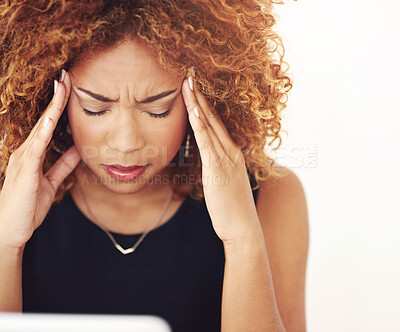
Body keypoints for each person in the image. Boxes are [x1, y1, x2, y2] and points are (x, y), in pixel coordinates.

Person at [0, 0, 309, 331]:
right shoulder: (9, 196)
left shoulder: (271, 195)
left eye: (157, 109)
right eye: (95, 108)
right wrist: (6, 242)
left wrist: (242, 239)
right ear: (51, 96)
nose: (126, 143)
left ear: (205, 94)